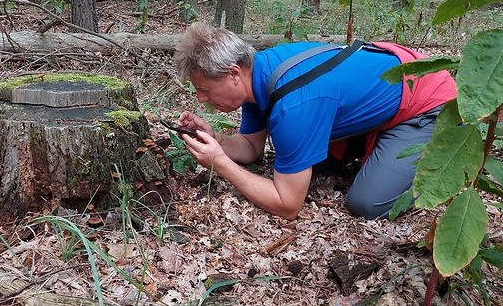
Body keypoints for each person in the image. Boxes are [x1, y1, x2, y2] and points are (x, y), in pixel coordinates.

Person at [172, 22, 457, 220]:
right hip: (382, 91)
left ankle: (443, 161)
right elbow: (251, 147)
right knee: (295, 164)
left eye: (205, 89)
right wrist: (217, 141)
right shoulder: (257, 77)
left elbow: (288, 205)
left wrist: (219, 164)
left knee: (365, 203)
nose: (201, 99)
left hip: (425, 100)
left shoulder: (293, 104)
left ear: (234, 73)